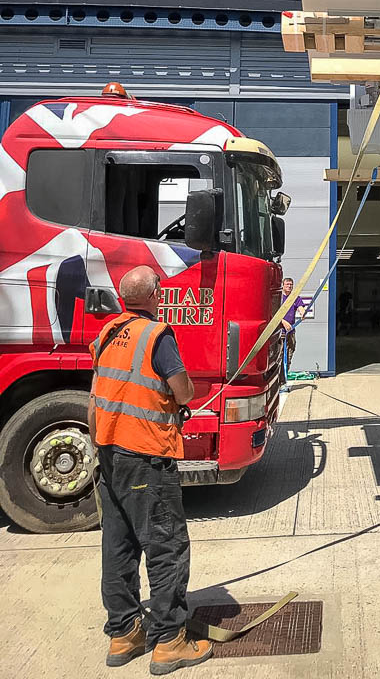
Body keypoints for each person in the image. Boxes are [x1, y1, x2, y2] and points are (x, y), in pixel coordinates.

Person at [88, 266, 212, 674]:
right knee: (166, 548)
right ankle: (170, 641)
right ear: (155, 294)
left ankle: (124, 634)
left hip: (109, 454)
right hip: (147, 458)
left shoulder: (108, 333)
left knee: (118, 548)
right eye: (160, 290)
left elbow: (98, 396)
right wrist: (186, 399)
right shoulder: (157, 336)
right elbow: (182, 390)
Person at [279, 276, 304, 391]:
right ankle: (277, 382)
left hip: (291, 333)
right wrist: (283, 322)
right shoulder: (278, 298)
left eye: (291, 285)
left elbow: (300, 307)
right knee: (279, 358)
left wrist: (302, 312)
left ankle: (283, 381)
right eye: (287, 284)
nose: (289, 286)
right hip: (280, 334)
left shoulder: (295, 298)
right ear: (283, 285)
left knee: (288, 356)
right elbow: (273, 313)